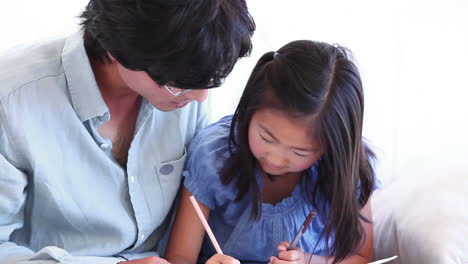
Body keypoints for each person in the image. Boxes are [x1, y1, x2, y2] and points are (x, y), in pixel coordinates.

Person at [0, 0, 255, 263]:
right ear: (115, 50)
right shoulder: (11, 101)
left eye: (208, 83)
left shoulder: (186, 79)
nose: (200, 97)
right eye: (178, 84)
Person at [164, 40, 377, 264]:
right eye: (266, 137)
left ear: (332, 147)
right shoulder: (214, 156)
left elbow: (361, 256)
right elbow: (179, 256)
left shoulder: (348, 170)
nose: (275, 159)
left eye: (301, 152)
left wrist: (307, 261)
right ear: (249, 109)